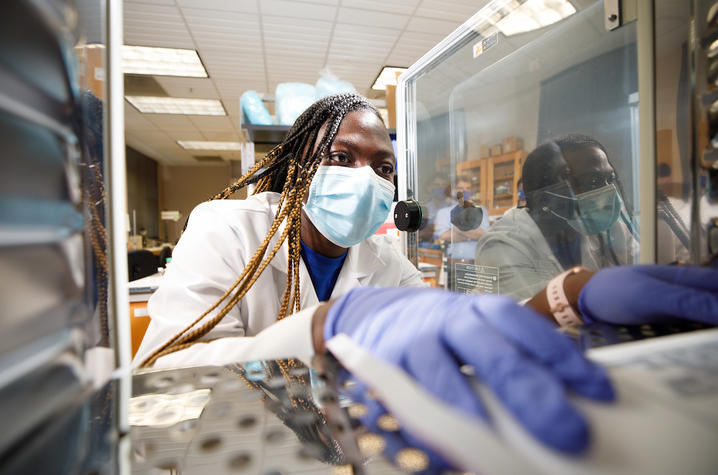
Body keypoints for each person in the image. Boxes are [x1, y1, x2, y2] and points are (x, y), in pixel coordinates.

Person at [135, 93, 425, 368]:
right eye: (341, 158)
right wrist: (316, 334)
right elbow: (172, 361)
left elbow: (425, 330)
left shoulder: (386, 257)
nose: (366, 180)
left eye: (384, 168)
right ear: (299, 169)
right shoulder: (225, 231)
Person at [475, 135, 639, 301]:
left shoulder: (609, 228)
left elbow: (641, 274)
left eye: (610, 179)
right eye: (592, 181)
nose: (608, 190)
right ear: (544, 198)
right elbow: (530, 314)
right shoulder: (502, 244)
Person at [433, 175, 489, 260]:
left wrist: (456, 227)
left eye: (468, 188)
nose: (464, 191)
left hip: (477, 262)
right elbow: (444, 236)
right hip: (453, 263)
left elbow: (483, 235)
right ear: (454, 191)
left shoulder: (481, 210)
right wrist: (471, 235)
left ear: (472, 191)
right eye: (461, 188)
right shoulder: (444, 212)